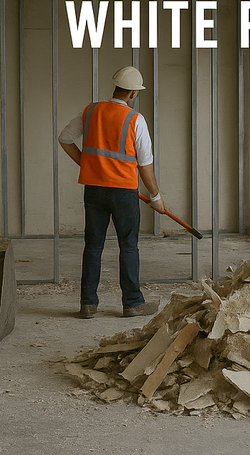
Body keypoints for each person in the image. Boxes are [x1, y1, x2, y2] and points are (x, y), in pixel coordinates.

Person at [58, 65, 165, 319]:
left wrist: (87, 163)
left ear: (116, 89)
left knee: (93, 246)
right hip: (124, 193)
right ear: (132, 94)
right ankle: (132, 303)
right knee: (128, 246)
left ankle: (87, 303)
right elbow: (145, 166)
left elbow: (64, 138)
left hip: (94, 190)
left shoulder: (91, 110)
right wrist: (156, 197)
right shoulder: (135, 120)